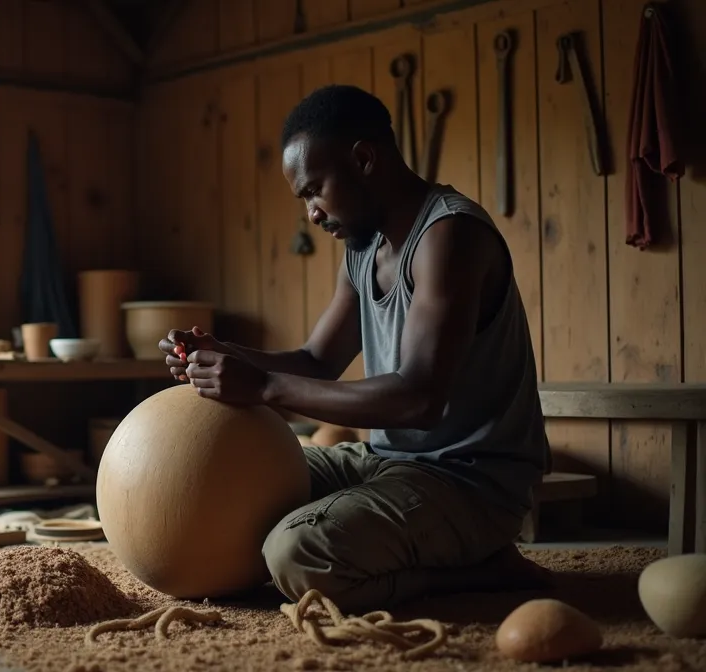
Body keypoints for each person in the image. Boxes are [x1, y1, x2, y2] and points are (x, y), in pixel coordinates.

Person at [158, 84, 553, 614]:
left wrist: (266, 386)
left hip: (472, 484)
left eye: (313, 191)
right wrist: (226, 353)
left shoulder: (450, 236)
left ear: (364, 159)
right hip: (389, 462)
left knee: (296, 552)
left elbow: (419, 398)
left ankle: (480, 570)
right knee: (237, 474)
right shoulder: (364, 251)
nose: (312, 215)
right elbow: (316, 361)